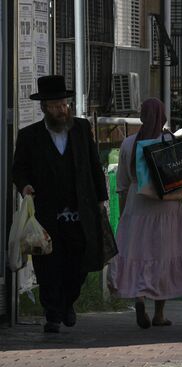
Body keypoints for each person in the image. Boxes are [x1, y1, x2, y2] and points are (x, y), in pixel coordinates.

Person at [12, 75, 108, 333]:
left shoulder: (80, 128)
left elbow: (93, 164)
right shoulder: (29, 136)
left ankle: (68, 302)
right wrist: (25, 187)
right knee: (48, 264)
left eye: (64, 104)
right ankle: (53, 313)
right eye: (55, 105)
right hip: (46, 212)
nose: (61, 109)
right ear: (44, 107)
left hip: (80, 210)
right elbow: (18, 169)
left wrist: (101, 199)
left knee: (80, 263)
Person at [108, 98, 182, 329]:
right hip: (167, 207)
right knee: (163, 257)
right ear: (163, 115)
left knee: (139, 254)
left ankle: (139, 299)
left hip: (137, 206)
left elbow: (122, 184)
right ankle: (159, 313)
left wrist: (125, 215)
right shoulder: (170, 141)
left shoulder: (128, 144)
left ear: (142, 116)